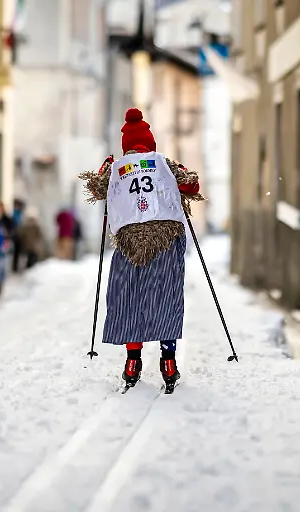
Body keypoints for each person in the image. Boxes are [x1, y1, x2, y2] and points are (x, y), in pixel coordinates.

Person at [78, 108, 204, 391]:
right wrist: (179, 174)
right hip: (166, 240)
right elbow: (192, 185)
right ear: (151, 142)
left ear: (126, 146)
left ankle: (132, 361)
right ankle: (168, 361)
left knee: (130, 298)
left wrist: (105, 167)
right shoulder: (163, 163)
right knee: (165, 296)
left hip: (129, 244)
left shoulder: (117, 168)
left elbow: (96, 188)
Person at [11, 199, 25, 272]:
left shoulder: (19, 213)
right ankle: (14, 267)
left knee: (18, 252)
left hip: (18, 234)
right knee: (16, 252)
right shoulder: (14, 213)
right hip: (15, 234)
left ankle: (16, 267)